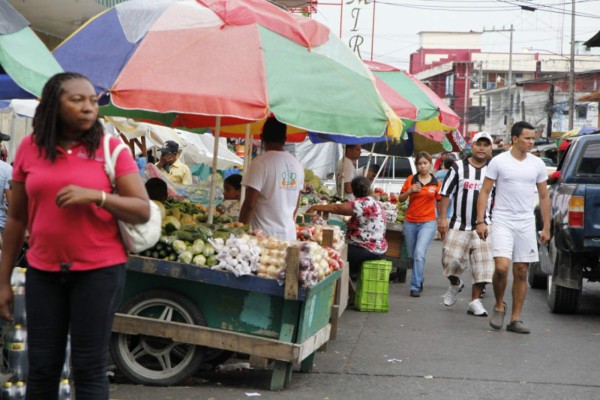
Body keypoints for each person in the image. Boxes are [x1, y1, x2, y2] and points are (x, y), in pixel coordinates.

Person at [0, 72, 150, 399]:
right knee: (41, 366)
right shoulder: (29, 149)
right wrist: (3, 281)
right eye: (77, 99)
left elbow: (142, 209)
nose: (88, 107)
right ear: (54, 104)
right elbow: (15, 219)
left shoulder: (111, 149)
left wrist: (97, 196)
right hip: (43, 272)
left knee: (88, 366)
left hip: (99, 272)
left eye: (93, 101)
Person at [476, 121, 551, 334]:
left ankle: (515, 319)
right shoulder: (499, 162)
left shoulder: (537, 164)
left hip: (526, 221)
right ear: (515, 139)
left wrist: (546, 227)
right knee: (501, 267)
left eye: (533, 139)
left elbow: (544, 196)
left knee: (521, 270)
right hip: (502, 219)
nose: (531, 142)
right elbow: (485, 191)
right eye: (527, 138)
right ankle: (499, 304)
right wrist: (480, 221)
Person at [438, 132, 495, 317]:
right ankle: (455, 284)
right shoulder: (458, 167)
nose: (482, 148)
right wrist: (442, 218)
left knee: (483, 266)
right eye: (479, 144)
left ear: (490, 149)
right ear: (472, 145)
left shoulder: (494, 170)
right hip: (458, 223)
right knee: (449, 260)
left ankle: (475, 301)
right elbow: (445, 193)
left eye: (486, 145)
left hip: (484, 225)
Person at [306, 176, 388, 278]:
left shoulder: (363, 203)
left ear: (353, 191)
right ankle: (348, 282)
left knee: (330, 253)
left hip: (367, 249)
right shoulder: (374, 202)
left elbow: (339, 208)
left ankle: (337, 286)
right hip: (377, 247)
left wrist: (316, 207)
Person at [239, 117, 304, 241]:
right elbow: (296, 203)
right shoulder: (297, 165)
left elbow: (250, 204)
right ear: (285, 139)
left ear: (262, 137)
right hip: (289, 235)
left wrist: (241, 230)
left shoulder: (260, 163)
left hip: (264, 238)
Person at [398, 151, 441, 297]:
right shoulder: (411, 179)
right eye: (420, 163)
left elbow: (441, 202)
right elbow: (400, 199)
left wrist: (442, 220)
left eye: (425, 163)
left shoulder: (436, 183)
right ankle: (419, 277)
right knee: (411, 256)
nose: (422, 166)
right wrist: (410, 190)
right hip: (410, 221)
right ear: (416, 165)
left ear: (430, 164)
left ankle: (415, 286)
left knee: (419, 253)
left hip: (428, 222)